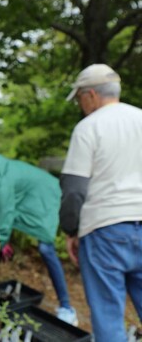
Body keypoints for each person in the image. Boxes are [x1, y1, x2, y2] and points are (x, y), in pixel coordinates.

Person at [60, 64, 142, 341]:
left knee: (108, 318)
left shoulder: (88, 127)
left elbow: (74, 190)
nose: (81, 105)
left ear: (91, 95)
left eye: (80, 98)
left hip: (105, 230)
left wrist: (71, 230)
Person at [0, 153, 79, 326]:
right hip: (33, 191)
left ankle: (67, 308)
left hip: (47, 196)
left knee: (46, 248)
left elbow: (4, 220)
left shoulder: (2, 186)